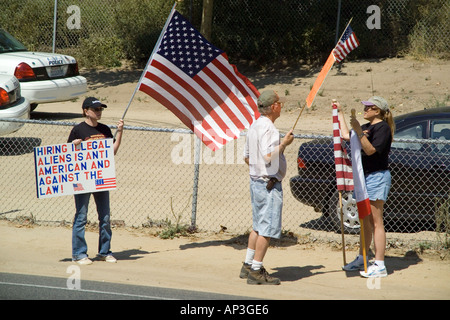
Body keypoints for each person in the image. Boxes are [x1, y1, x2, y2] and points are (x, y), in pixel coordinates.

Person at [336, 96, 395, 278]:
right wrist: (340, 112)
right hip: (364, 178)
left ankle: (379, 264)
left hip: (377, 177)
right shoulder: (365, 127)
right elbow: (347, 135)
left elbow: (370, 150)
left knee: (377, 222)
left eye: (369, 107)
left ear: (377, 111)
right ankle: (362, 257)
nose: (365, 109)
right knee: (365, 221)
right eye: (366, 107)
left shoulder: (382, 128)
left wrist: (358, 132)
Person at [241, 90, 294, 285]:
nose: (281, 106)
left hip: (256, 181)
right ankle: (256, 270)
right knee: (266, 229)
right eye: (279, 103)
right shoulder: (270, 129)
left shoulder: (254, 126)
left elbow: (247, 157)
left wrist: (258, 169)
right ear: (273, 107)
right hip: (268, 184)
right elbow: (268, 156)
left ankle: (248, 263)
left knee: (257, 226)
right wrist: (284, 144)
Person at [67, 97, 124, 265]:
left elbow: (112, 151)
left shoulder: (105, 129)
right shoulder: (78, 130)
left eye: (100, 109)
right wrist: (74, 146)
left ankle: (105, 252)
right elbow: (66, 157)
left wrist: (120, 131)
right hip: (82, 180)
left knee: (105, 217)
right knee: (81, 216)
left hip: (101, 179)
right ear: (86, 111)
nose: (99, 112)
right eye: (96, 109)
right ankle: (79, 254)